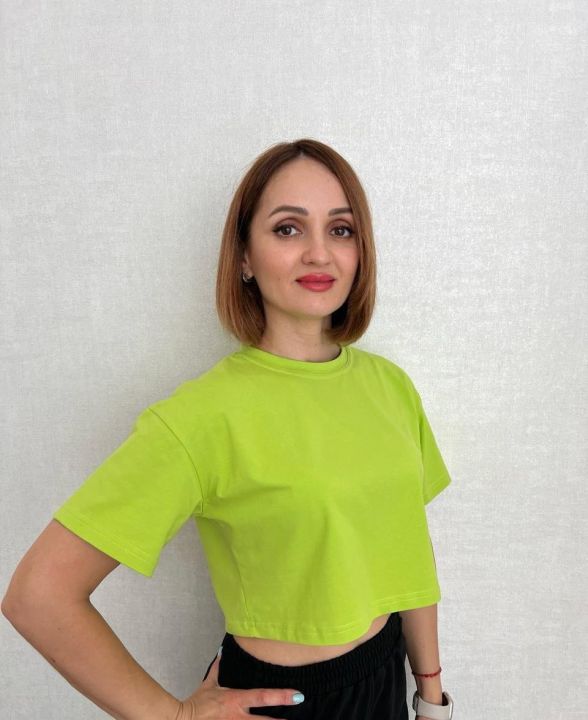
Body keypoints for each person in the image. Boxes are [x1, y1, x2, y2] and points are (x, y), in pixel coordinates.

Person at [1, 138, 454, 719]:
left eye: (340, 230)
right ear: (244, 257)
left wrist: (431, 693)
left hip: (385, 674)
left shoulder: (390, 386)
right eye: (288, 229)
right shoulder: (203, 416)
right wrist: (175, 716)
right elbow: (38, 596)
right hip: (285, 700)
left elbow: (408, 549)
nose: (319, 253)